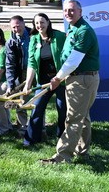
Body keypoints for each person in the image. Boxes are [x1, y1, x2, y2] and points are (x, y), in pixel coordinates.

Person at [41, 0, 100, 164]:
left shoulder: (83, 31)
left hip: (82, 79)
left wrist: (58, 78)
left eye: (72, 10)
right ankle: (82, 152)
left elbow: (74, 60)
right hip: (79, 77)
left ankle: (62, 156)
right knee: (83, 116)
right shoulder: (74, 29)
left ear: (81, 12)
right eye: (66, 10)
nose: (68, 13)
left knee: (73, 118)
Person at [22, 13, 67, 146]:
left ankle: (62, 139)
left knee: (62, 109)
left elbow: (68, 55)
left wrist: (62, 76)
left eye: (42, 22)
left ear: (48, 22)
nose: (39, 25)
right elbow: (32, 63)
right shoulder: (34, 39)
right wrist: (28, 84)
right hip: (43, 81)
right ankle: (30, 140)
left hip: (60, 80)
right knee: (37, 109)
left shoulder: (58, 36)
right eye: (37, 23)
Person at [5, 15, 31, 134]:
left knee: (38, 99)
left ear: (23, 23)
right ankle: (23, 126)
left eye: (18, 26)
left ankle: (40, 126)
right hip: (21, 73)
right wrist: (10, 84)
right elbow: (9, 64)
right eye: (13, 27)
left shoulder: (33, 35)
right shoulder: (11, 41)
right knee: (21, 99)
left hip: (36, 71)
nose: (16, 29)